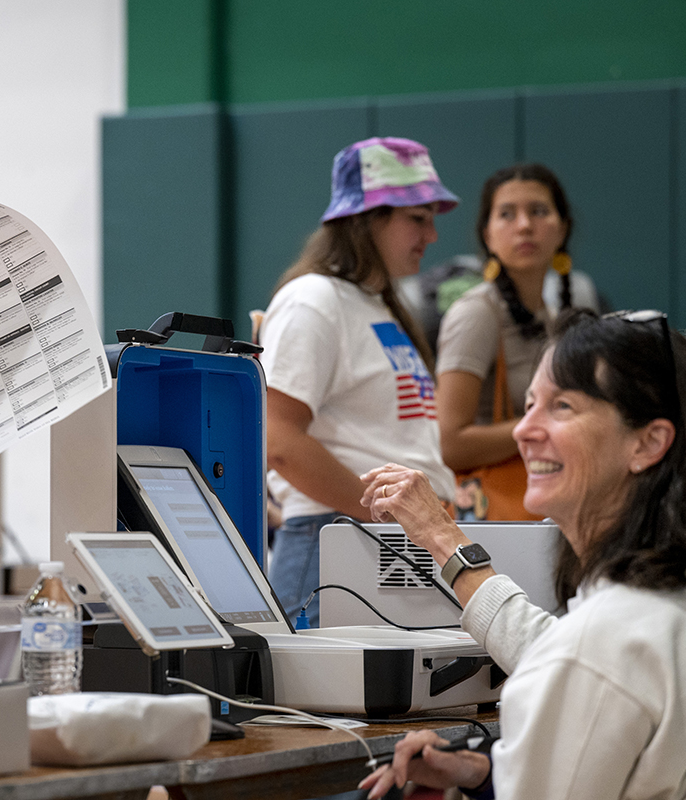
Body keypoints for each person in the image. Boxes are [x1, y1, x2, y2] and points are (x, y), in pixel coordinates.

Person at [359, 308, 686, 799]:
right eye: (529, 403)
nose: (522, 430)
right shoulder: (654, 609)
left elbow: (580, 662)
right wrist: (485, 772)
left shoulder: (604, 642)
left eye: (562, 407)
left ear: (649, 441)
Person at [260, 137, 459, 624]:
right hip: (338, 544)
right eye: (418, 217)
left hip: (382, 542)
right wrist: (385, 515)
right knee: (322, 702)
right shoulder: (314, 300)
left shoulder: (373, 304)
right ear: (367, 219)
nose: (431, 235)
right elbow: (278, 438)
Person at [435, 165, 576, 510]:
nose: (525, 225)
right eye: (507, 215)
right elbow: (448, 443)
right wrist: (545, 425)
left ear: (562, 229)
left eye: (539, 211)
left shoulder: (552, 314)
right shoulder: (478, 313)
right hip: (490, 511)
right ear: (488, 235)